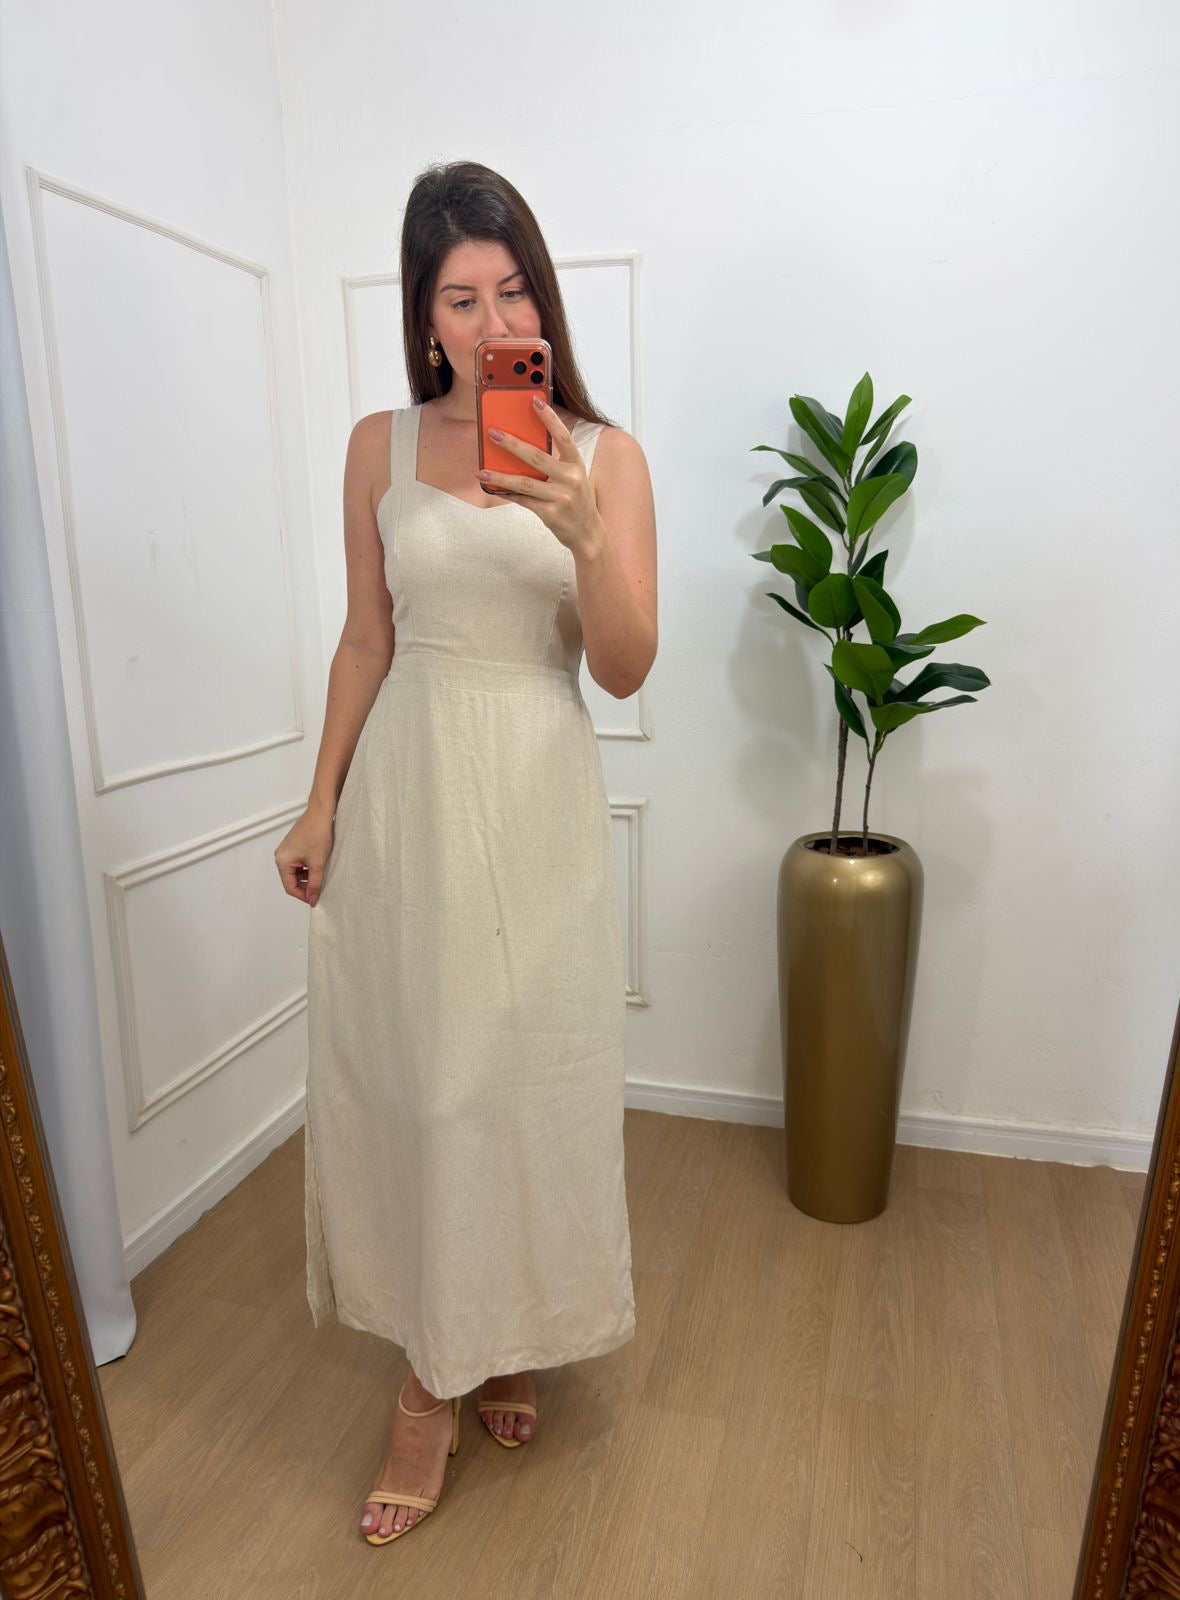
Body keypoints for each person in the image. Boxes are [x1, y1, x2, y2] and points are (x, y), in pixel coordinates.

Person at [273, 160, 658, 1546]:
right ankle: (429, 1377)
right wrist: (320, 801)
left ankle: (501, 1335)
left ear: (541, 299)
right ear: (423, 316)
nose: (494, 322)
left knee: (521, 1082)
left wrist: (587, 532)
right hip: (413, 793)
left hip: (537, 789)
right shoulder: (377, 447)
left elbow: (624, 667)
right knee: (431, 1086)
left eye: (513, 291)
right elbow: (366, 637)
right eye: (460, 298)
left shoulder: (605, 456)